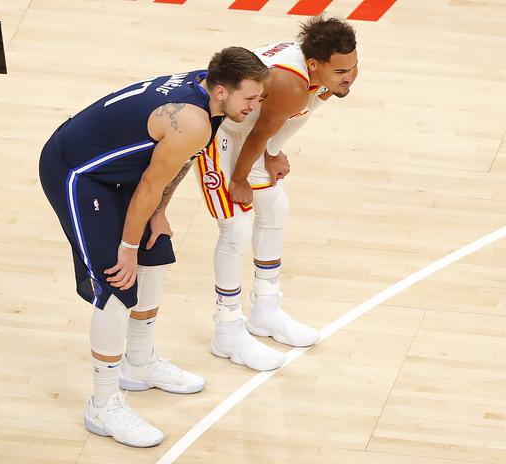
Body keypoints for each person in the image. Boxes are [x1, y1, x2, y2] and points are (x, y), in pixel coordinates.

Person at [39, 47, 268, 447]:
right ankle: (103, 404)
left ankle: (140, 363)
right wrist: (126, 246)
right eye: (250, 98)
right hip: (77, 172)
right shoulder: (191, 119)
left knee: (156, 253)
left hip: (120, 175)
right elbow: (150, 182)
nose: (255, 106)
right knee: (117, 284)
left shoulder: (209, 94)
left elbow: (176, 162)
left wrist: (158, 213)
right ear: (220, 91)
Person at [195, 16, 358, 371]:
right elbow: (261, 131)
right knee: (235, 228)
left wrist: (273, 151)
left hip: (252, 134)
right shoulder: (291, 82)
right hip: (219, 133)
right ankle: (227, 329)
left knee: (274, 208)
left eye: (353, 66)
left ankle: (265, 310)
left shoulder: (323, 74)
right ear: (314, 65)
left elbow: (294, 117)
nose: (350, 76)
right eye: (341, 71)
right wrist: (240, 178)